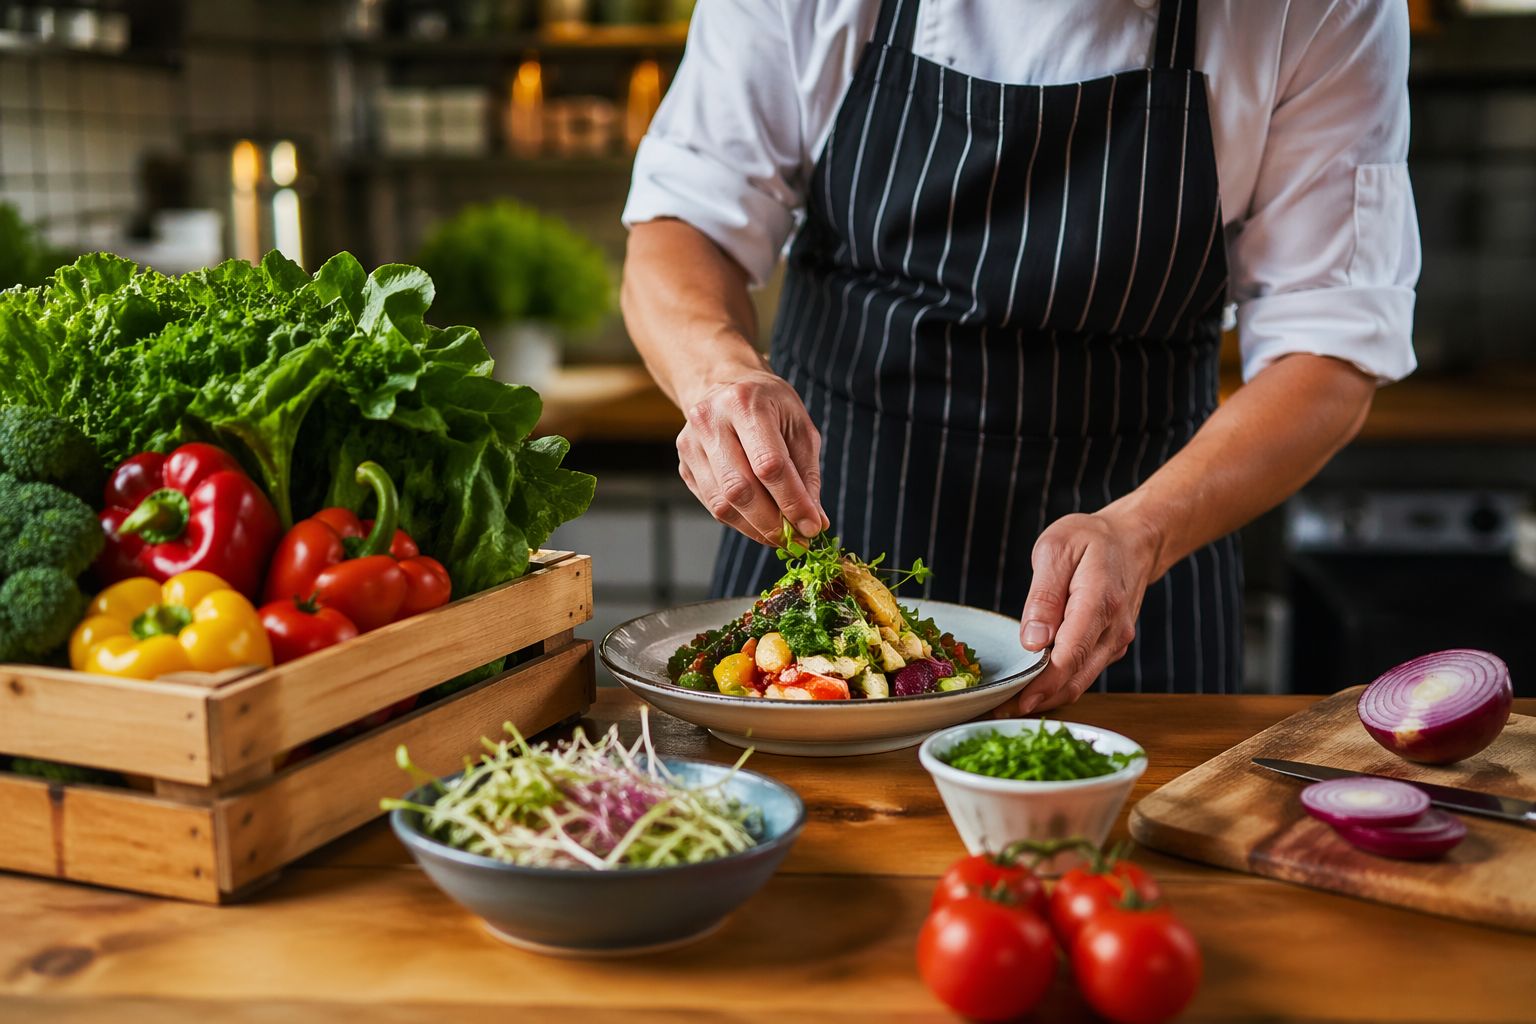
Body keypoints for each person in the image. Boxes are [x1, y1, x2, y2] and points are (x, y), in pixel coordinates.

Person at [620, 0, 1419, 710]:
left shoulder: (1320, 10)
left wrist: (1145, 529)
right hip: (828, 546)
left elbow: (1332, 350)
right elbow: (683, 224)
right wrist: (720, 376)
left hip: (1138, 564)